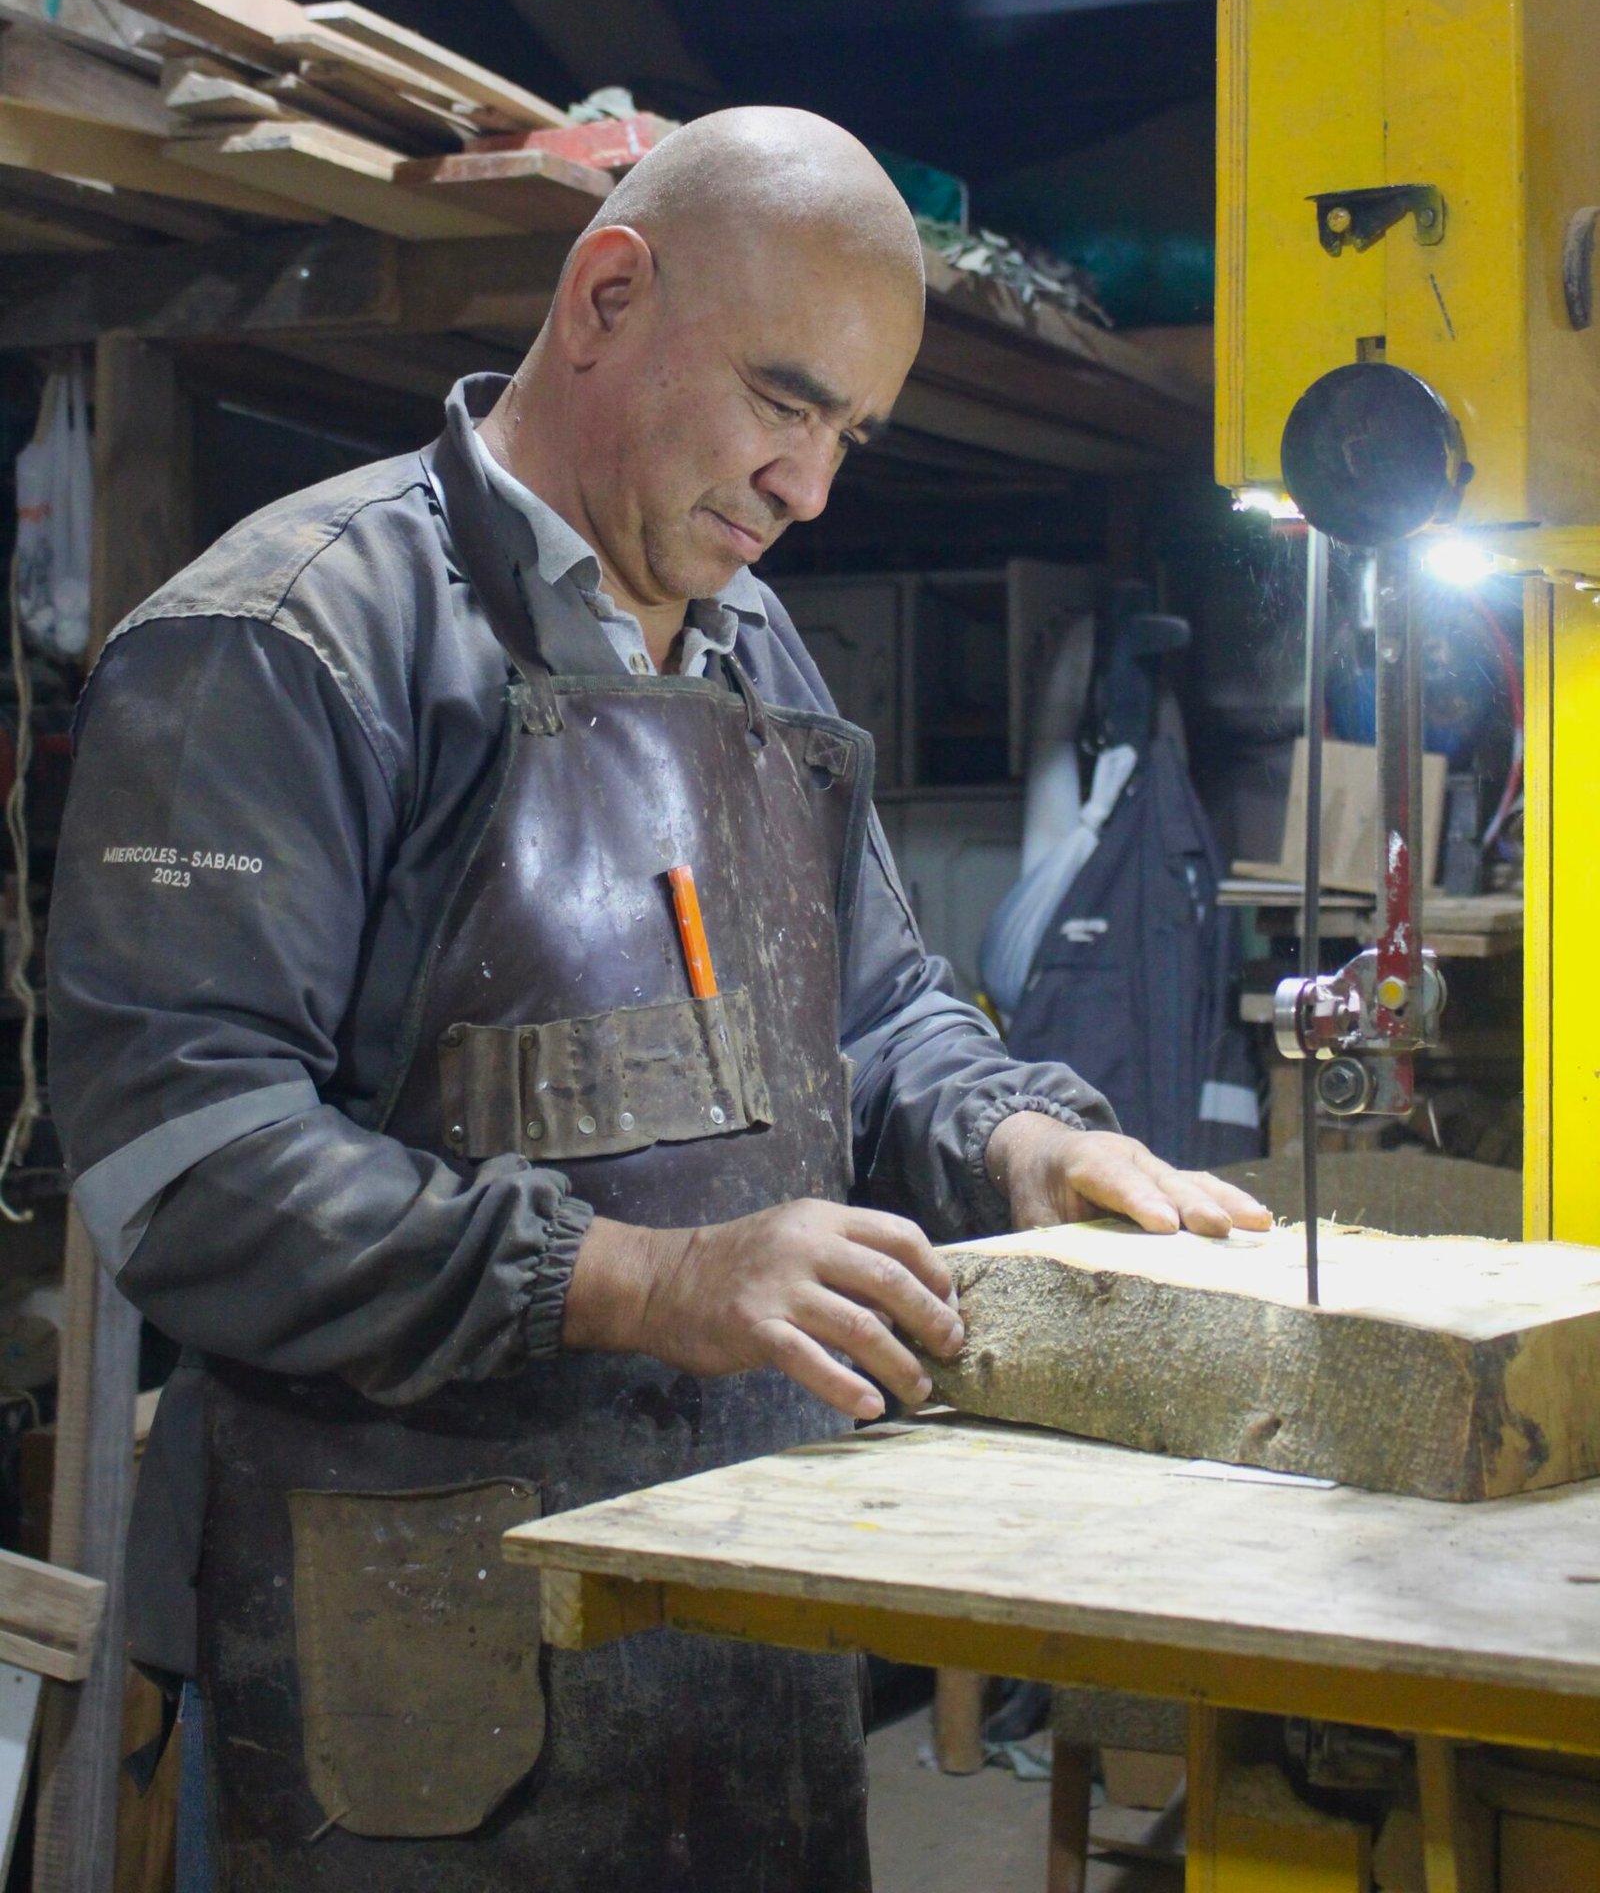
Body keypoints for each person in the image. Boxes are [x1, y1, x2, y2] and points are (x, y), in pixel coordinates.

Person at [48, 108, 1267, 1892]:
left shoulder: (757, 649)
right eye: (784, 402)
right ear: (607, 295)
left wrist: (1022, 1141)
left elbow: (874, 1013)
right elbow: (189, 1168)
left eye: (847, 436)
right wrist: (650, 1281)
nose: (809, 488)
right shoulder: (291, 634)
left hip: (748, 1616)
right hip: (420, 1661)